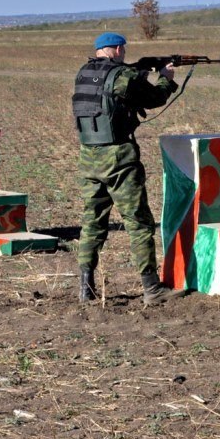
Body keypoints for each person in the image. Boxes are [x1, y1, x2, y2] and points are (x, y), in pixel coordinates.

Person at [72, 32, 180, 306]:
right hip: (118, 156)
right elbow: (154, 98)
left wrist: (140, 73)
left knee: (93, 222)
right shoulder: (123, 77)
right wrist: (167, 79)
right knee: (139, 222)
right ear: (118, 49)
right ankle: (152, 288)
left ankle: (86, 287)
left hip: (88, 156)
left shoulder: (84, 73)